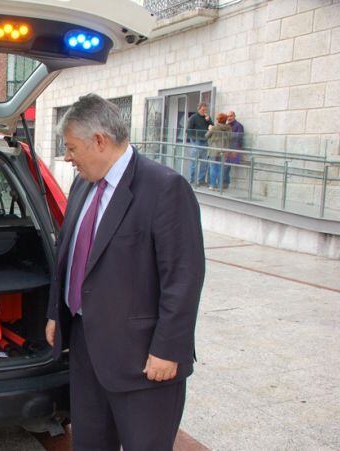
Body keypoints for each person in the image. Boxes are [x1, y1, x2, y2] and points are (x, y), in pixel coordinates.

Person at [45, 93, 205, 451]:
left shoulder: (164, 188)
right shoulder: (83, 183)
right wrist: (56, 312)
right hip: (87, 349)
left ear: (99, 141)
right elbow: (66, 253)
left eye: (71, 148)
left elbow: (183, 277)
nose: (67, 157)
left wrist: (169, 349)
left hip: (143, 360)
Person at [185, 102, 213, 186]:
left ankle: (201, 180)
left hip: (205, 141)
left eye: (206, 109)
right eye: (203, 109)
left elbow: (212, 127)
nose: (204, 111)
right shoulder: (193, 117)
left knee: (204, 163)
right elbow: (188, 130)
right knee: (194, 162)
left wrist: (209, 121)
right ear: (199, 109)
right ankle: (192, 180)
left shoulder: (207, 118)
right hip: (196, 141)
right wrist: (193, 139)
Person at [205, 113, 231, 191]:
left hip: (214, 150)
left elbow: (206, 136)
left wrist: (209, 129)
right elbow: (230, 138)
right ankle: (220, 186)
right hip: (224, 150)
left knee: (213, 167)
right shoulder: (229, 128)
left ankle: (212, 185)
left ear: (218, 119)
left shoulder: (214, 128)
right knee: (221, 168)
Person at [225, 111, 244, 189]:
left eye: (231, 116)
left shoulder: (239, 125)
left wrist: (236, 150)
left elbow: (239, 138)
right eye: (228, 116)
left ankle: (225, 183)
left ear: (234, 116)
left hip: (233, 149)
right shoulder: (226, 125)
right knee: (225, 166)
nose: (229, 117)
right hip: (227, 148)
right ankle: (225, 183)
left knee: (227, 166)